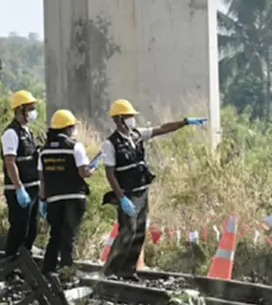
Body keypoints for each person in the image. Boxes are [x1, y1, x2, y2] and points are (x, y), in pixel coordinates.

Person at [100, 99, 206, 280]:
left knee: (140, 231)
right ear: (118, 119)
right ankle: (111, 270)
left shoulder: (137, 135)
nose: (132, 119)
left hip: (142, 190)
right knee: (128, 230)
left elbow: (162, 129)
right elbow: (110, 173)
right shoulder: (110, 144)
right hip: (128, 194)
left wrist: (185, 122)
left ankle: (128, 270)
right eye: (129, 116)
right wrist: (121, 198)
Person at [38, 109, 96, 279]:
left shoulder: (44, 150)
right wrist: (92, 169)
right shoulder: (75, 146)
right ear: (68, 128)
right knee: (69, 234)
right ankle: (66, 270)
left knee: (55, 233)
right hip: (74, 197)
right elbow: (83, 172)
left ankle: (48, 268)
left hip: (54, 198)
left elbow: (42, 178)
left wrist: (43, 199)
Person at [1, 90, 42, 260]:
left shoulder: (29, 132)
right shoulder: (11, 133)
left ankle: (24, 262)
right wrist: (19, 188)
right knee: (19, 229)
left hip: (33, 187)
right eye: (30, 108)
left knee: (32, 229)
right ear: (19, 110)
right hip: (20, 190)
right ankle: (10, 266)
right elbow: (10, 162)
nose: (33, 112)